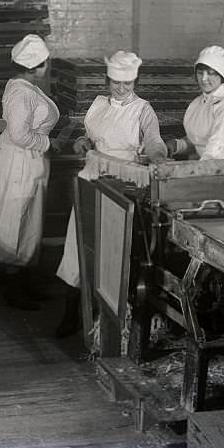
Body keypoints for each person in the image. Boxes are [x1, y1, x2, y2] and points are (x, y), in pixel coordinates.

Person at [55, 50, 169, 338]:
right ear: (107, 80)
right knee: (77, 246)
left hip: (123, 184)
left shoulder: (143, 109)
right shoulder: (98, 104)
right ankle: (72, 311)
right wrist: (81, 142)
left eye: (128, 84)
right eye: (116, 83)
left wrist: (157, 156)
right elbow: (89, 136)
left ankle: (111, 318)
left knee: (114, 251)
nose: (122, 89)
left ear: (135, 82)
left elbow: (155, 141)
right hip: (91, 178)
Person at [0, 34, 60, 311]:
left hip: (30, 160)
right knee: (15, 219)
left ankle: (26, 282)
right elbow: (19, 134)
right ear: (34, 67)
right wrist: (48, 143)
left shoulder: (27, 86)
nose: (47, 68)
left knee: (30, 221)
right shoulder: (21, 93)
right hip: (19, 160)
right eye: (44, 64)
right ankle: (13, 288)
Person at [166, 45, 224, 160]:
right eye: (200, 72)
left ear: (222, 75)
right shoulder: (197, 103)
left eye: (211, 73)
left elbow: (214, 153)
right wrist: (176, 145)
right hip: (204, 167)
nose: (204, 79)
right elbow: (197, 141)